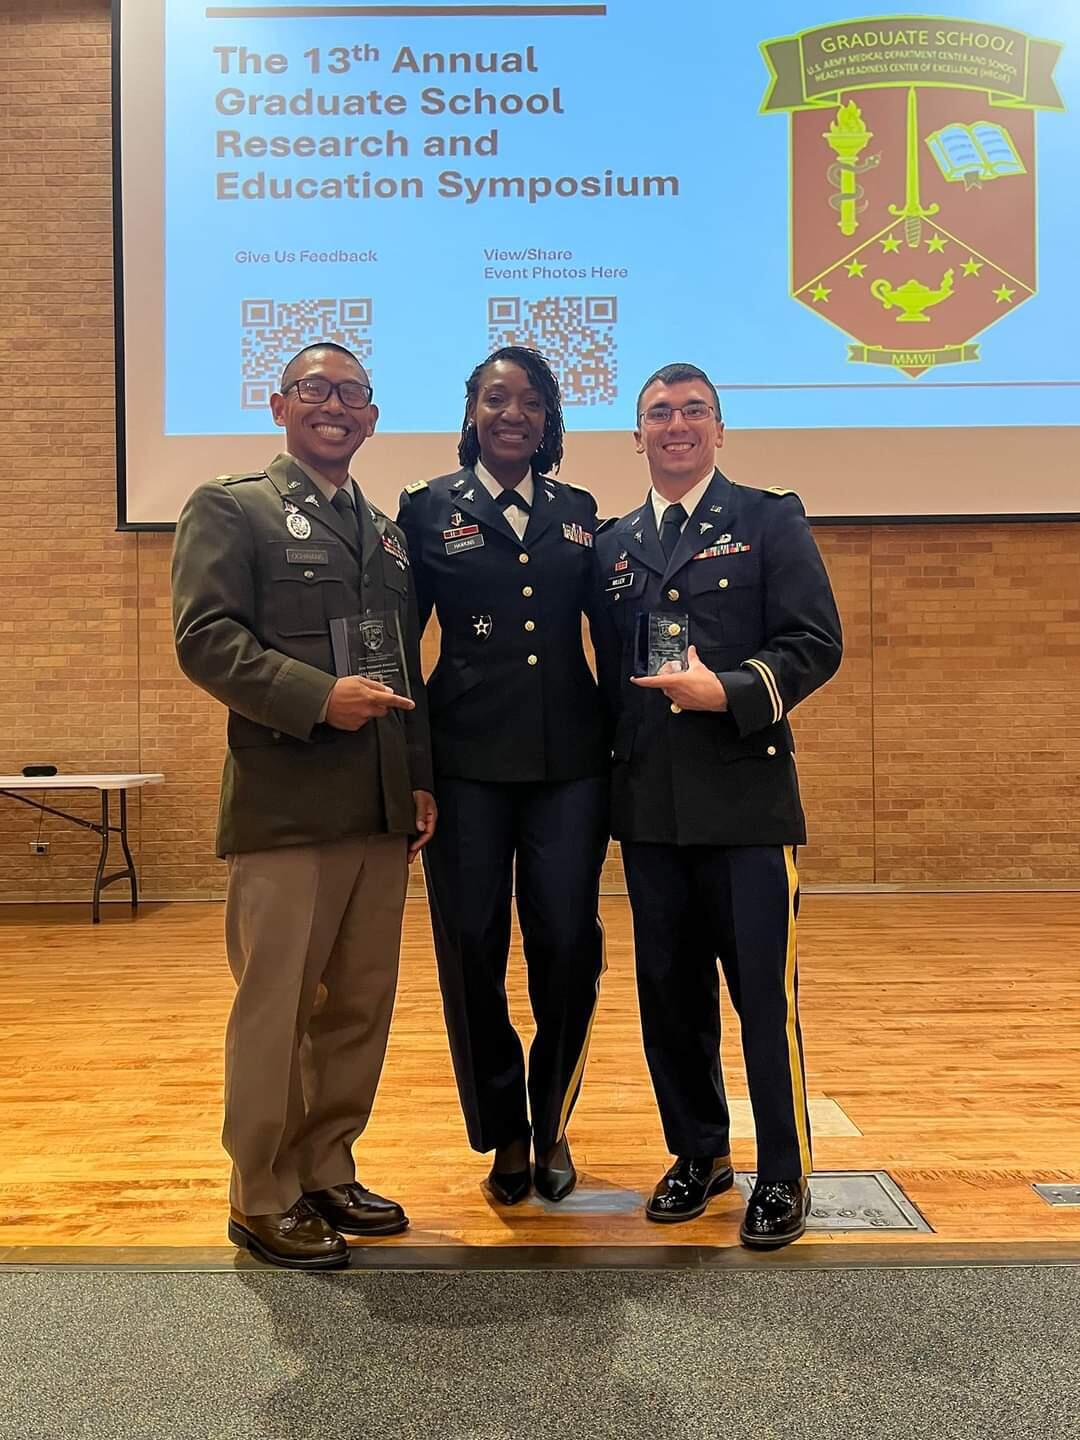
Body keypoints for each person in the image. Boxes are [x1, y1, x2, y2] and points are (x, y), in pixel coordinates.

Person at [172, 341, 436, 1269]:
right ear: (279, 405)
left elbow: (405, 669)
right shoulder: (232, 505)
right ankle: (261, 1191)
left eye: (352, 394)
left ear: (371, 417)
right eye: (315, 390)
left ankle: (327, 1165)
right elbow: (205, 640)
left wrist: (417, 779)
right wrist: (317, 697)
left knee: (359, 1007)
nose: (334, 405)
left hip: (377, 812)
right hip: (286, 806)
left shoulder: (391, 534)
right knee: (276, 1007)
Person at [592, 362, 842, 1248]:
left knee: (761, 1001)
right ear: (638, 435)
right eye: (659, 413)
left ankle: (782, 1171)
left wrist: (730, 691)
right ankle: (699, 1153)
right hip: (651, 811)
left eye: (694, 410)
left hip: (745, 806)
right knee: (669, 998)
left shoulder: (769, 518)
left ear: (719, 428)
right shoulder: (613, 543)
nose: (677, 425)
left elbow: (816, 642)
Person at [396, 346, 609, 1205]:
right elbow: (402, 655)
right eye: (494, 398)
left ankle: (552, 1118)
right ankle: (505, 1134)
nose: (511, 412)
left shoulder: (580, 510)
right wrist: (411, 771)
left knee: (565, 947)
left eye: (528, 400)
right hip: (466, 766)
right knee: (472, 949)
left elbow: (620, 632)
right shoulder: (425, 509)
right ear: (471, 413)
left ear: (549, 417)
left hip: (570, 766)